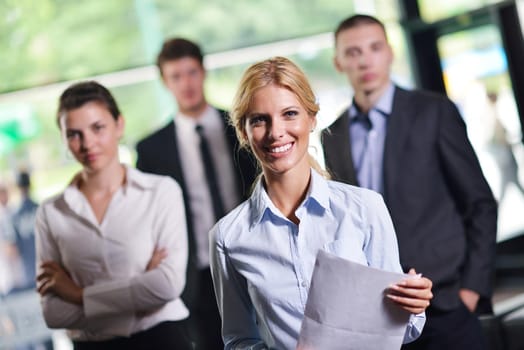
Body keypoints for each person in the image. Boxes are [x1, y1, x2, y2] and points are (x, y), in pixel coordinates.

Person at [210, 56, 433, 350]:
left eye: (289, 114)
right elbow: (238, 341)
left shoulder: (365, 209)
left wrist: (413, 305)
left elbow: (402, 330)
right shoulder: (228, 237)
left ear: (311, 119)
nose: (276, 132)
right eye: (259, 120)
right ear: (243, 131)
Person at [321, 14, 498, 350]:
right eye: (353, 52)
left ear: (389, 52)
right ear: (339, 63)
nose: (365, 60)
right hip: (380, 314)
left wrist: (471, 291)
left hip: (446, 304)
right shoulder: (333, 135)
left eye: (374, 48)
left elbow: (480, 203)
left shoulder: (433, 112)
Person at [35, 81, 192, 349]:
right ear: (63, 139)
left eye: (98, 128)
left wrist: (77, 294)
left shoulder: (161, 192)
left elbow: (167, 285)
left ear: (119, 125)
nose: (87, 144)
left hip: (161, 340)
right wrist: (141, 290)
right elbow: (54, 313)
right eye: (74, 134)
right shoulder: (51, 213)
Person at [136, 37, 257, 349]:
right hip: (196, 275)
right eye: (176, 76)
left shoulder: (242, 127)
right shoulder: (151, 150)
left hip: (252, 258)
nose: (185, 83)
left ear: (203, 72)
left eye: (191, 72)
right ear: (165, 82)